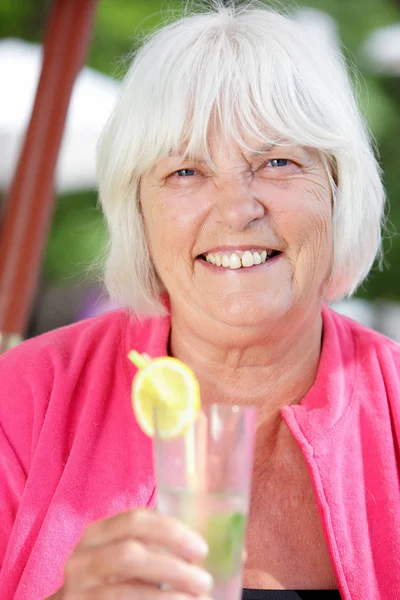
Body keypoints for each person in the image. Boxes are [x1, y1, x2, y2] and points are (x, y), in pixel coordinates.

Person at [1, 1, 399, 599]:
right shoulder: (20, 401)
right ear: (138, 210)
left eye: (279, 161)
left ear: (341, 193)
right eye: (186, 172)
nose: (238, 208)